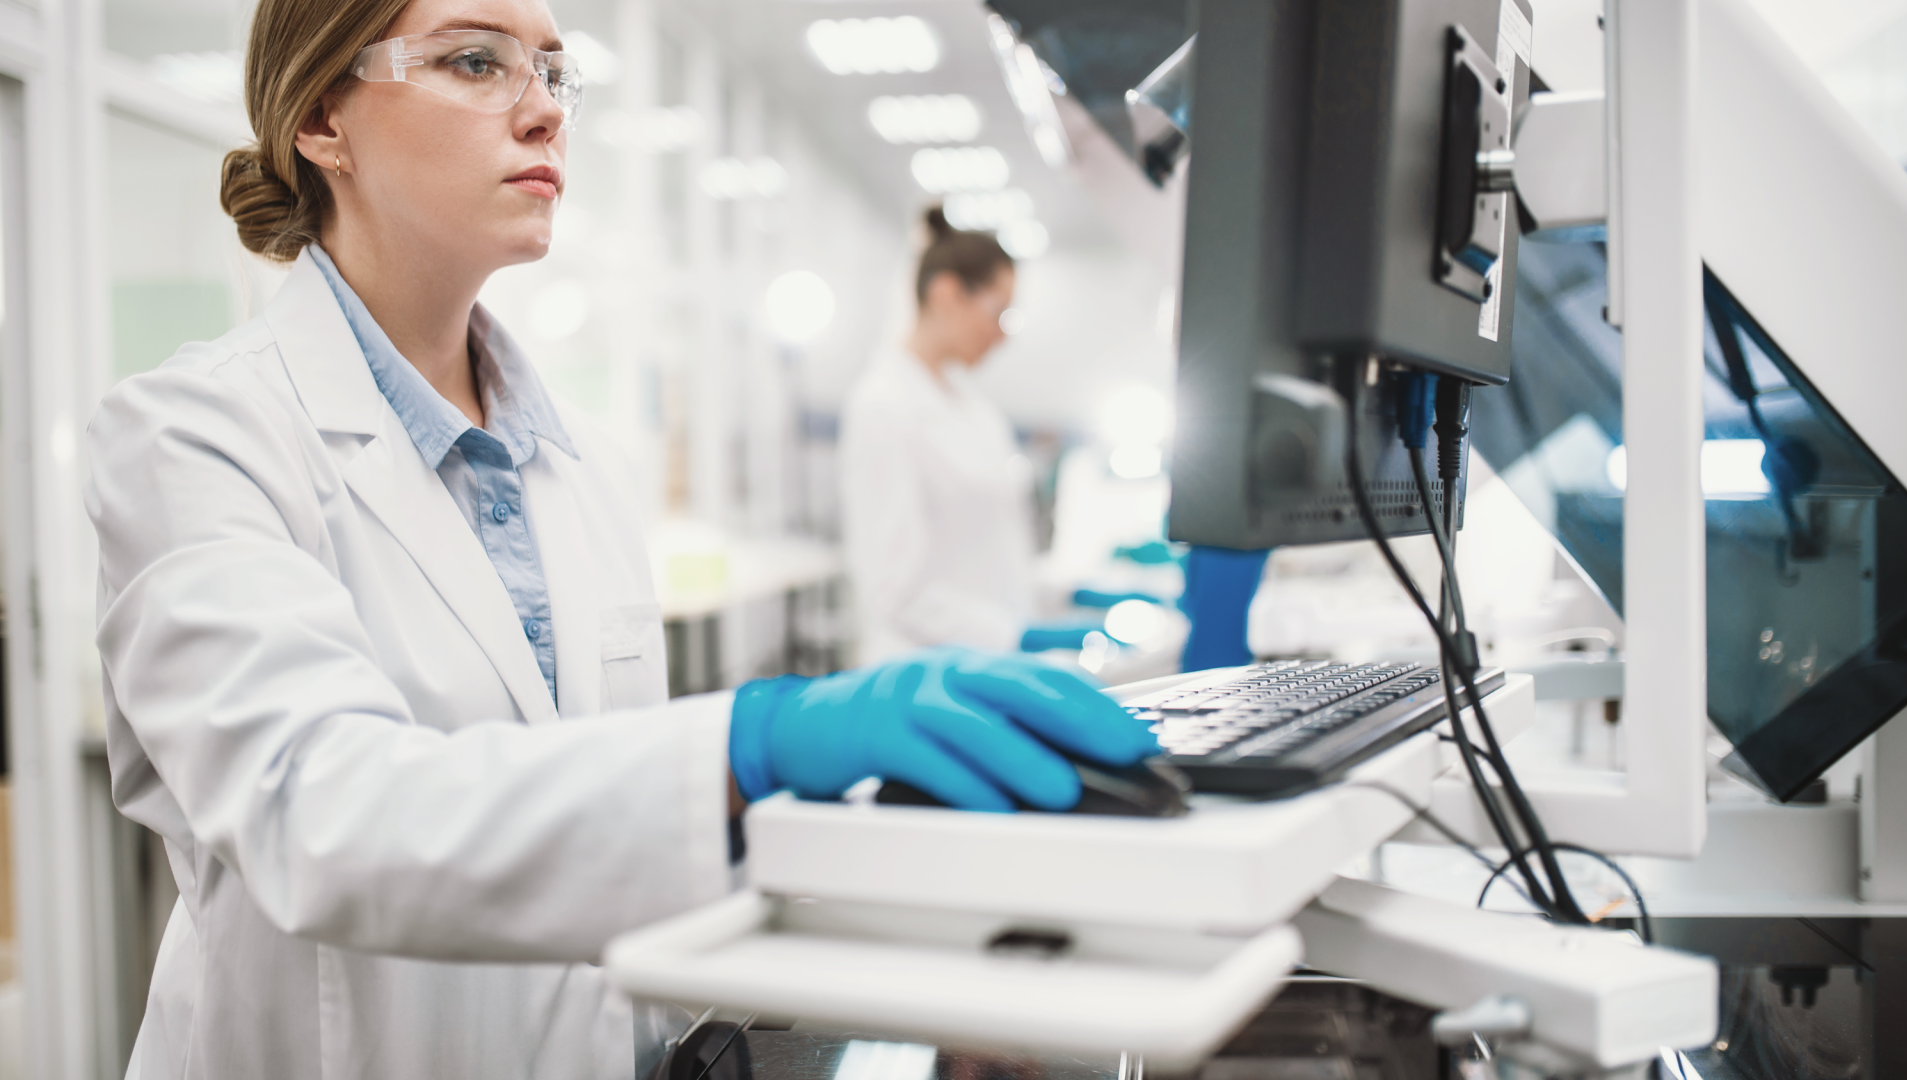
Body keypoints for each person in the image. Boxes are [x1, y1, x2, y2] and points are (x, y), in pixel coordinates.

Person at [84, 1, 1160, 1076]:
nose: (545, 113)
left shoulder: (583, 461)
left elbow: (607, 840)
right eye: (476, 62)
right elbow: (318, 812)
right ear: (324, 121)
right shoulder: (194, 435)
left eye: (554, 73)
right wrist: (748, 745)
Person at [841, 210, 1105, 663]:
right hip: (926, 677)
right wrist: (1017, 636)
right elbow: (893, 593)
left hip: (990, 666)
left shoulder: (974, 409)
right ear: (946, 294)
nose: (1003, 335)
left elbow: (994, 561)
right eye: (999, 313)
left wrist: (1079, 595)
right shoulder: (884, 408)